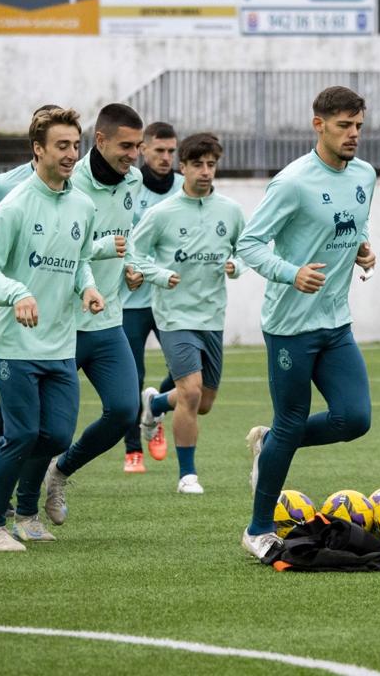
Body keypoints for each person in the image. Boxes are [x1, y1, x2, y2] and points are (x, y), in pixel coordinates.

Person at [235, 86, 377, 559]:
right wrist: (290, 273)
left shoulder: (366, 175)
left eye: (358, 125)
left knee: (355, 418)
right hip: (290, 326)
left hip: (337, 322)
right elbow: (250, 244)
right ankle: (257, 530)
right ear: (318, 125)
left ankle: (272, 442)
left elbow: (350, 223)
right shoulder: (293, 181)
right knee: (293, 421)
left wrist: (362, 248)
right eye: (343, 126)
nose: (353, 134)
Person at [0, 107, 103, 551]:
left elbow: (79, 261)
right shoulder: (15, 205)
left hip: (60, 341)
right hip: (13, 341)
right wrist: (16, 294)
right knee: (23, 434)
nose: (70, 154)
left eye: (75, 146)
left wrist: (88, 288)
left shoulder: (83, 203)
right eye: (61, 146)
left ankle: (26, 513)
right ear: (38, 149)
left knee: (57, 436)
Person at [40, 103, 143, 525]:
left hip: (105, 317)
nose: (133, 155)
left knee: (123, 409)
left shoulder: (133, 181)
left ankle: (60, 471)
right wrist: (102, 251)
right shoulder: (67, 182)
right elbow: (56, 246)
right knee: (29, 423)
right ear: (99, 141)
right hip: (60, 320)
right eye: (125, 146)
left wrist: (132, 265)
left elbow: (126, 237)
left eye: (138, 146)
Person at [131, 132, 245, 494]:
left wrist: (236, 265)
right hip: (175, 315)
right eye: (198, 164)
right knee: (192, 392)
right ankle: (187, 475)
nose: (206, 171)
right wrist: (159, 275)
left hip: (212, 315)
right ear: (183, 167)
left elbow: (248, 249)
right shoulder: (162, 213)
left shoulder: (230, 211)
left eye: (211, 164)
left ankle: (155, 403)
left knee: (205, 402)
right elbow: (133, 254)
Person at [120, 121, 181, 472]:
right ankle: (133, 451)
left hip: (170, 298)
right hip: (131, 300)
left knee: (186, 370)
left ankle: (154, 406)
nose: (165, 157)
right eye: (159, 150)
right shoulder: (130, 186)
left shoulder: (182, 190)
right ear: (143, 150)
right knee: (132, 374)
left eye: (171, 151)